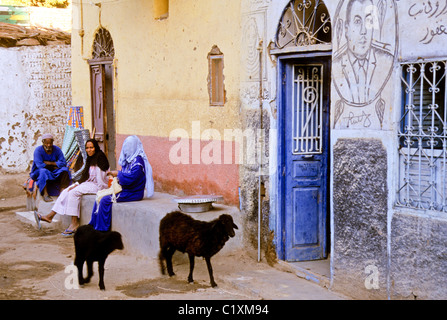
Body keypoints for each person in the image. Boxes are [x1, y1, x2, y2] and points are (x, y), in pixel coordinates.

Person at [34, 139, 110, 235]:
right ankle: (50, 216)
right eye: (87, 148)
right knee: (67, 190)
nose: (89, 150)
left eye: (91, 148)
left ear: (96, 148)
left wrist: (102, 190)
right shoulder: (90, 158)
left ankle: (74, 223)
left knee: (74, 192)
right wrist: (76, 184)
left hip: (99, 185)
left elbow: (101, 179)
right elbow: (85, 175)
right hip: (89, 183)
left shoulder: (100, 158)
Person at [89, 135, 154, 231]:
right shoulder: (130, 159)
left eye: (129, 146)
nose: (126, 149)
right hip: (125, 189)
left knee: (105, 200)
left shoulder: (138, 162)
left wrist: (118, 174)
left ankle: (101, 229)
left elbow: (131, 178)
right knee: (99, 195)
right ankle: (93, 225)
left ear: (134, 146)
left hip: (133, 192)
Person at [30, 133, 71, 202]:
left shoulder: (57, 149)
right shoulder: (38, 150)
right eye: (46, 143)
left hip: (54, 171)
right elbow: (40, 165)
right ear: (43, 142)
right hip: (39, 171)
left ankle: (62, 193)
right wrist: (55, 165)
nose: (48, 145)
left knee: (65, 170)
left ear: (52, 142)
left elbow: (63, 163)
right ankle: (45, 194)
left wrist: (49, 163)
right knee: (43, 171)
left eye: (50, 143)